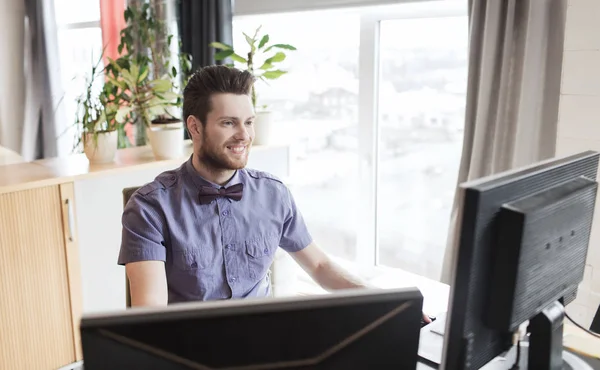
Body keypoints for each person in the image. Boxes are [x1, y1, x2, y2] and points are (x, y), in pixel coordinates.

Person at [117, 65, 431, 323]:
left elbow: (319, 266)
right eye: (229, 123)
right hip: (193, 353)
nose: (244, 135)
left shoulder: (273, 194)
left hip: (269, 346)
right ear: (195, 127)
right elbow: (151, 315)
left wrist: (388, 303)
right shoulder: (149, 208)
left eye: (249, 122)